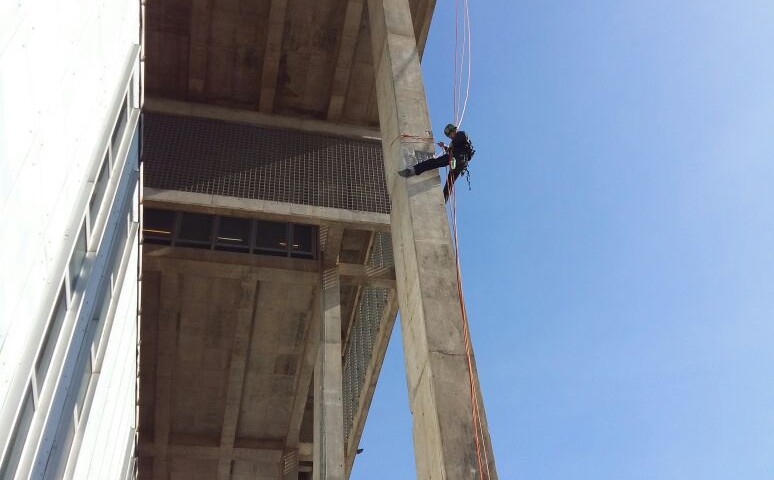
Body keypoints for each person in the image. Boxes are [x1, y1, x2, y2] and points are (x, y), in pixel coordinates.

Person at [398, 123, 475, 200]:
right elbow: (451, 149)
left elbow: (457, 142)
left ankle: (412, 171)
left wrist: (449, 146)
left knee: (433, 162)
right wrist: (444, 146)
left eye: (450, 134)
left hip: (458, 158)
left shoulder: (461, 134)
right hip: (460, 162)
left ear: (454, 130)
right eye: (449, 136)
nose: (450, 137)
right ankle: (444, 200)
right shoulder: (456, 142)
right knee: (449, 183)